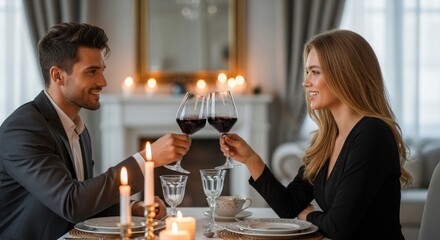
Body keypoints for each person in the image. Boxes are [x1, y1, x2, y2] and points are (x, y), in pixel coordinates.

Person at [0, 22, 191, 240]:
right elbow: (70, 202)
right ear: (58, 75)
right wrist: (146, 159)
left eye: (102, 70)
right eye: (92, 71)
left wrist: (133, 207)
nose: (103, 82)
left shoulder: (77, 128)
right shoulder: (22, 129)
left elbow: (85, 202)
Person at [219, 29, 412, 240]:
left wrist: (308, 215)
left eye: (315, 72)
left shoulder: (372, 135)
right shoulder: (329, 139)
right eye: (307, 71)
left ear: (344, 74)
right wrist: (250, 159)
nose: (305, 82)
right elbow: (290, 206)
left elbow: (338, 227)